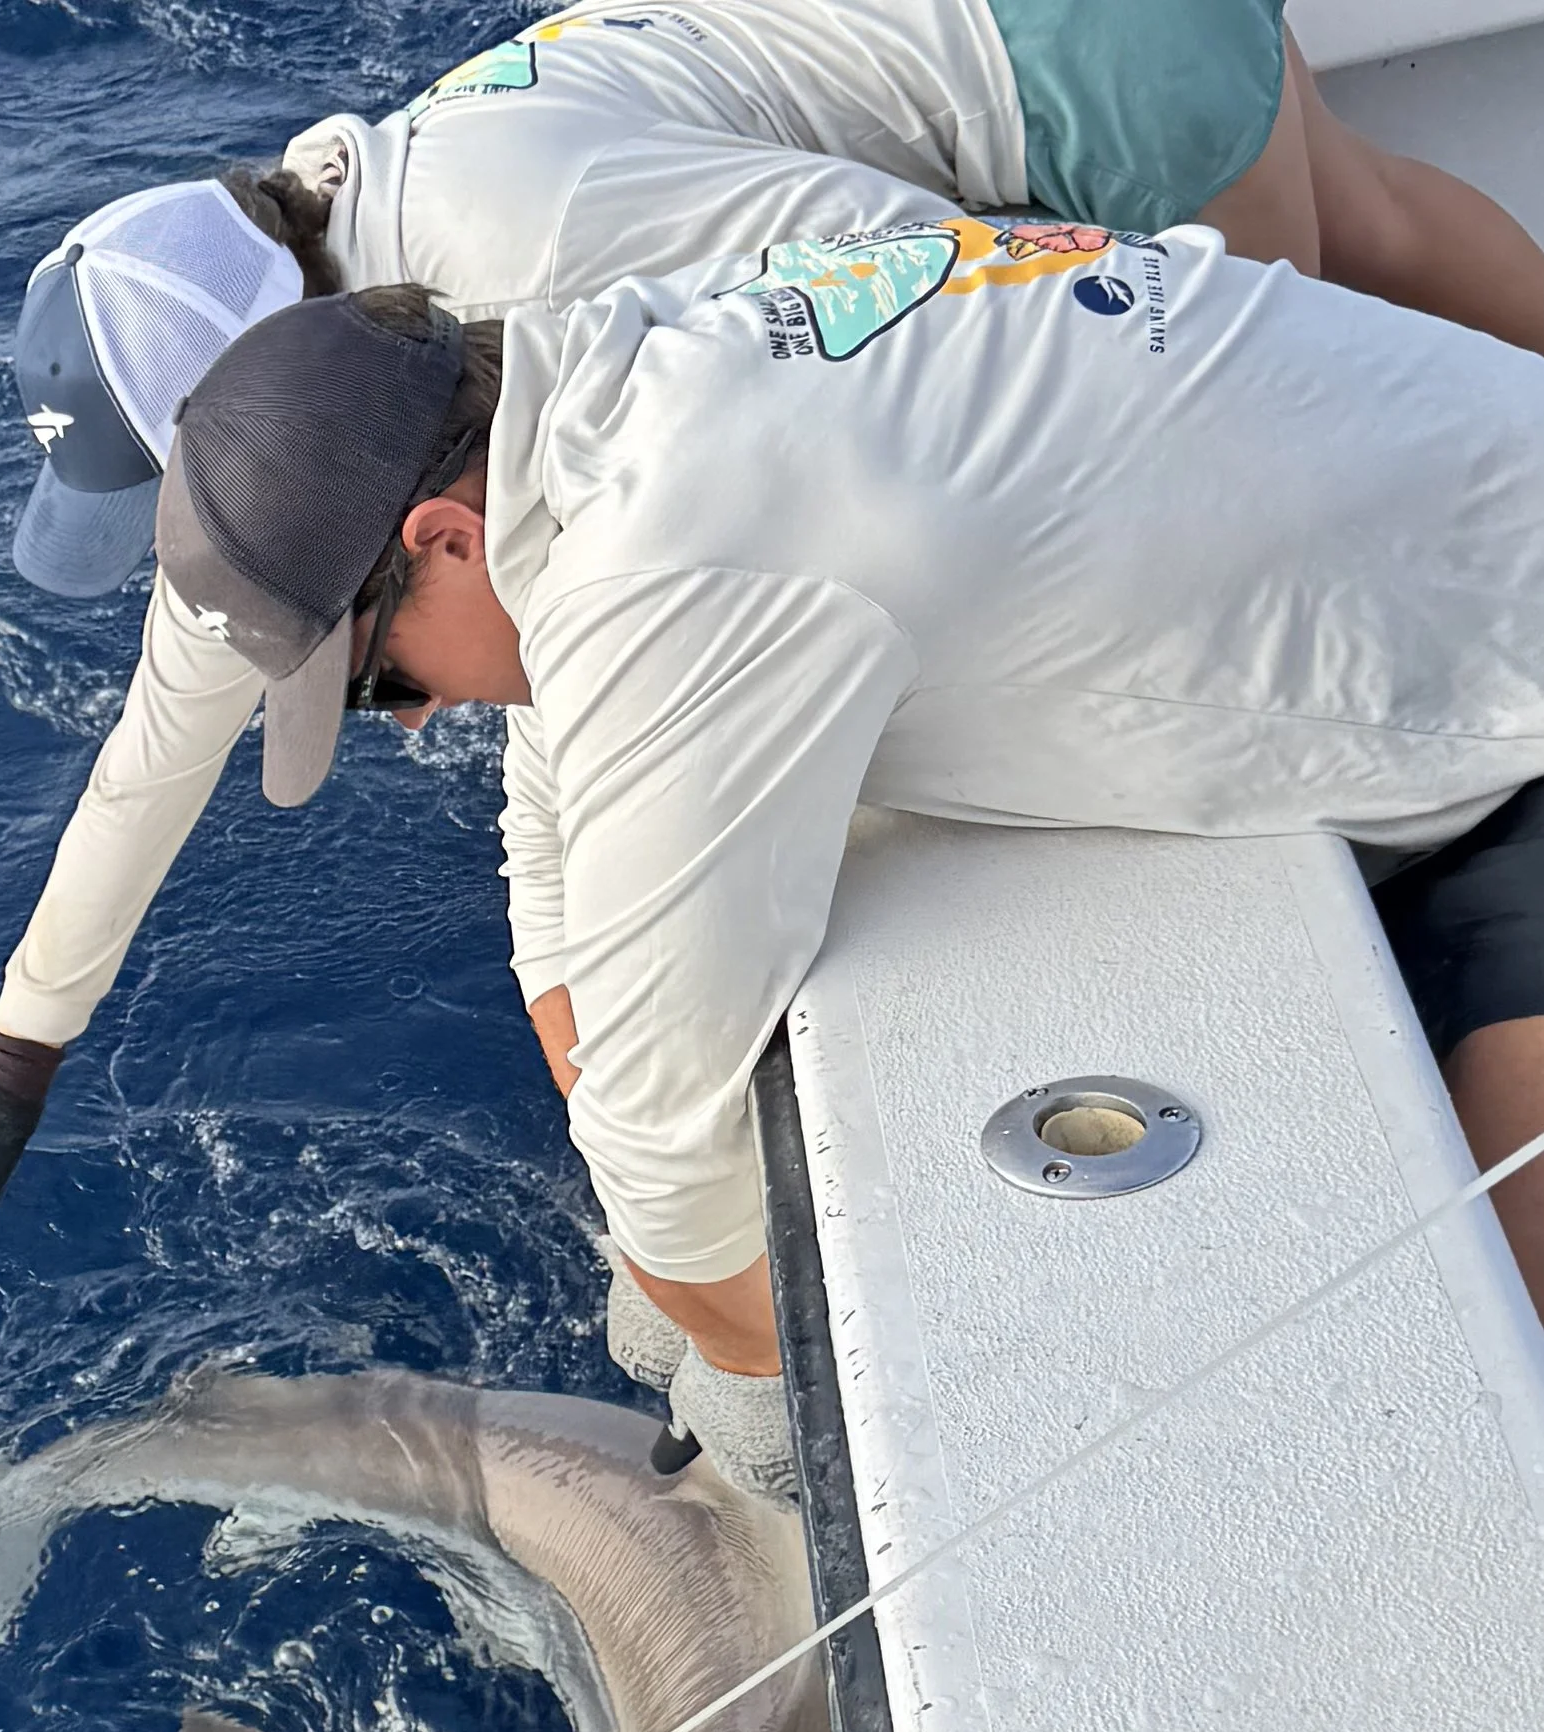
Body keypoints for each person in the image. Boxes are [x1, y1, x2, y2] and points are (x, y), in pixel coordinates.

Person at [0, 0, 1544, 1273]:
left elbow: (902, 285)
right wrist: (17, 1053)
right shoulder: (339, 359)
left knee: (1262, 444)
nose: (394, 711)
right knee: (1391, 253)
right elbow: (180, 720)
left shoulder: (525, 247)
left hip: (1075, 57)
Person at [142, 247, 1544, 1485]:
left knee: (1463, 1414)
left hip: (1512, 724)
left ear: (442, 538)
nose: (421, 717)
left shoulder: (671, 567)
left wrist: (757, 1389)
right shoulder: (614, 373)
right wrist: (658, 1235)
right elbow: (549, 808)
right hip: (1453, 607)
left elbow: (668, 1151)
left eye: (382, 681)